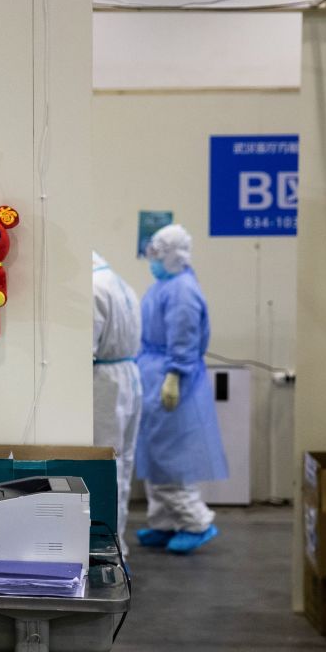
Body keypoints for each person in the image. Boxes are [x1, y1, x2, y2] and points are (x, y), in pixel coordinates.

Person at [133, 225, 228, 554]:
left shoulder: (182, 291)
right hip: (154, 375)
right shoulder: (166, 285)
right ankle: (164, 521)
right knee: (155, 454)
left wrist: (174, 374)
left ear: (172, 254)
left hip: (171, 379)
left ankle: (196, 522)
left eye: (157, 254)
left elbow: (184, 337)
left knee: (171, 458)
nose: (152, 260)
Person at [91, 251, 143, 557]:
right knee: (121, 464)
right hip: (128, 377)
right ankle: (116, 544)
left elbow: (86, 346)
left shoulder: (93, 287)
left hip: (105, 385)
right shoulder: (119, 282)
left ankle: (104, 547)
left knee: (103, 466)